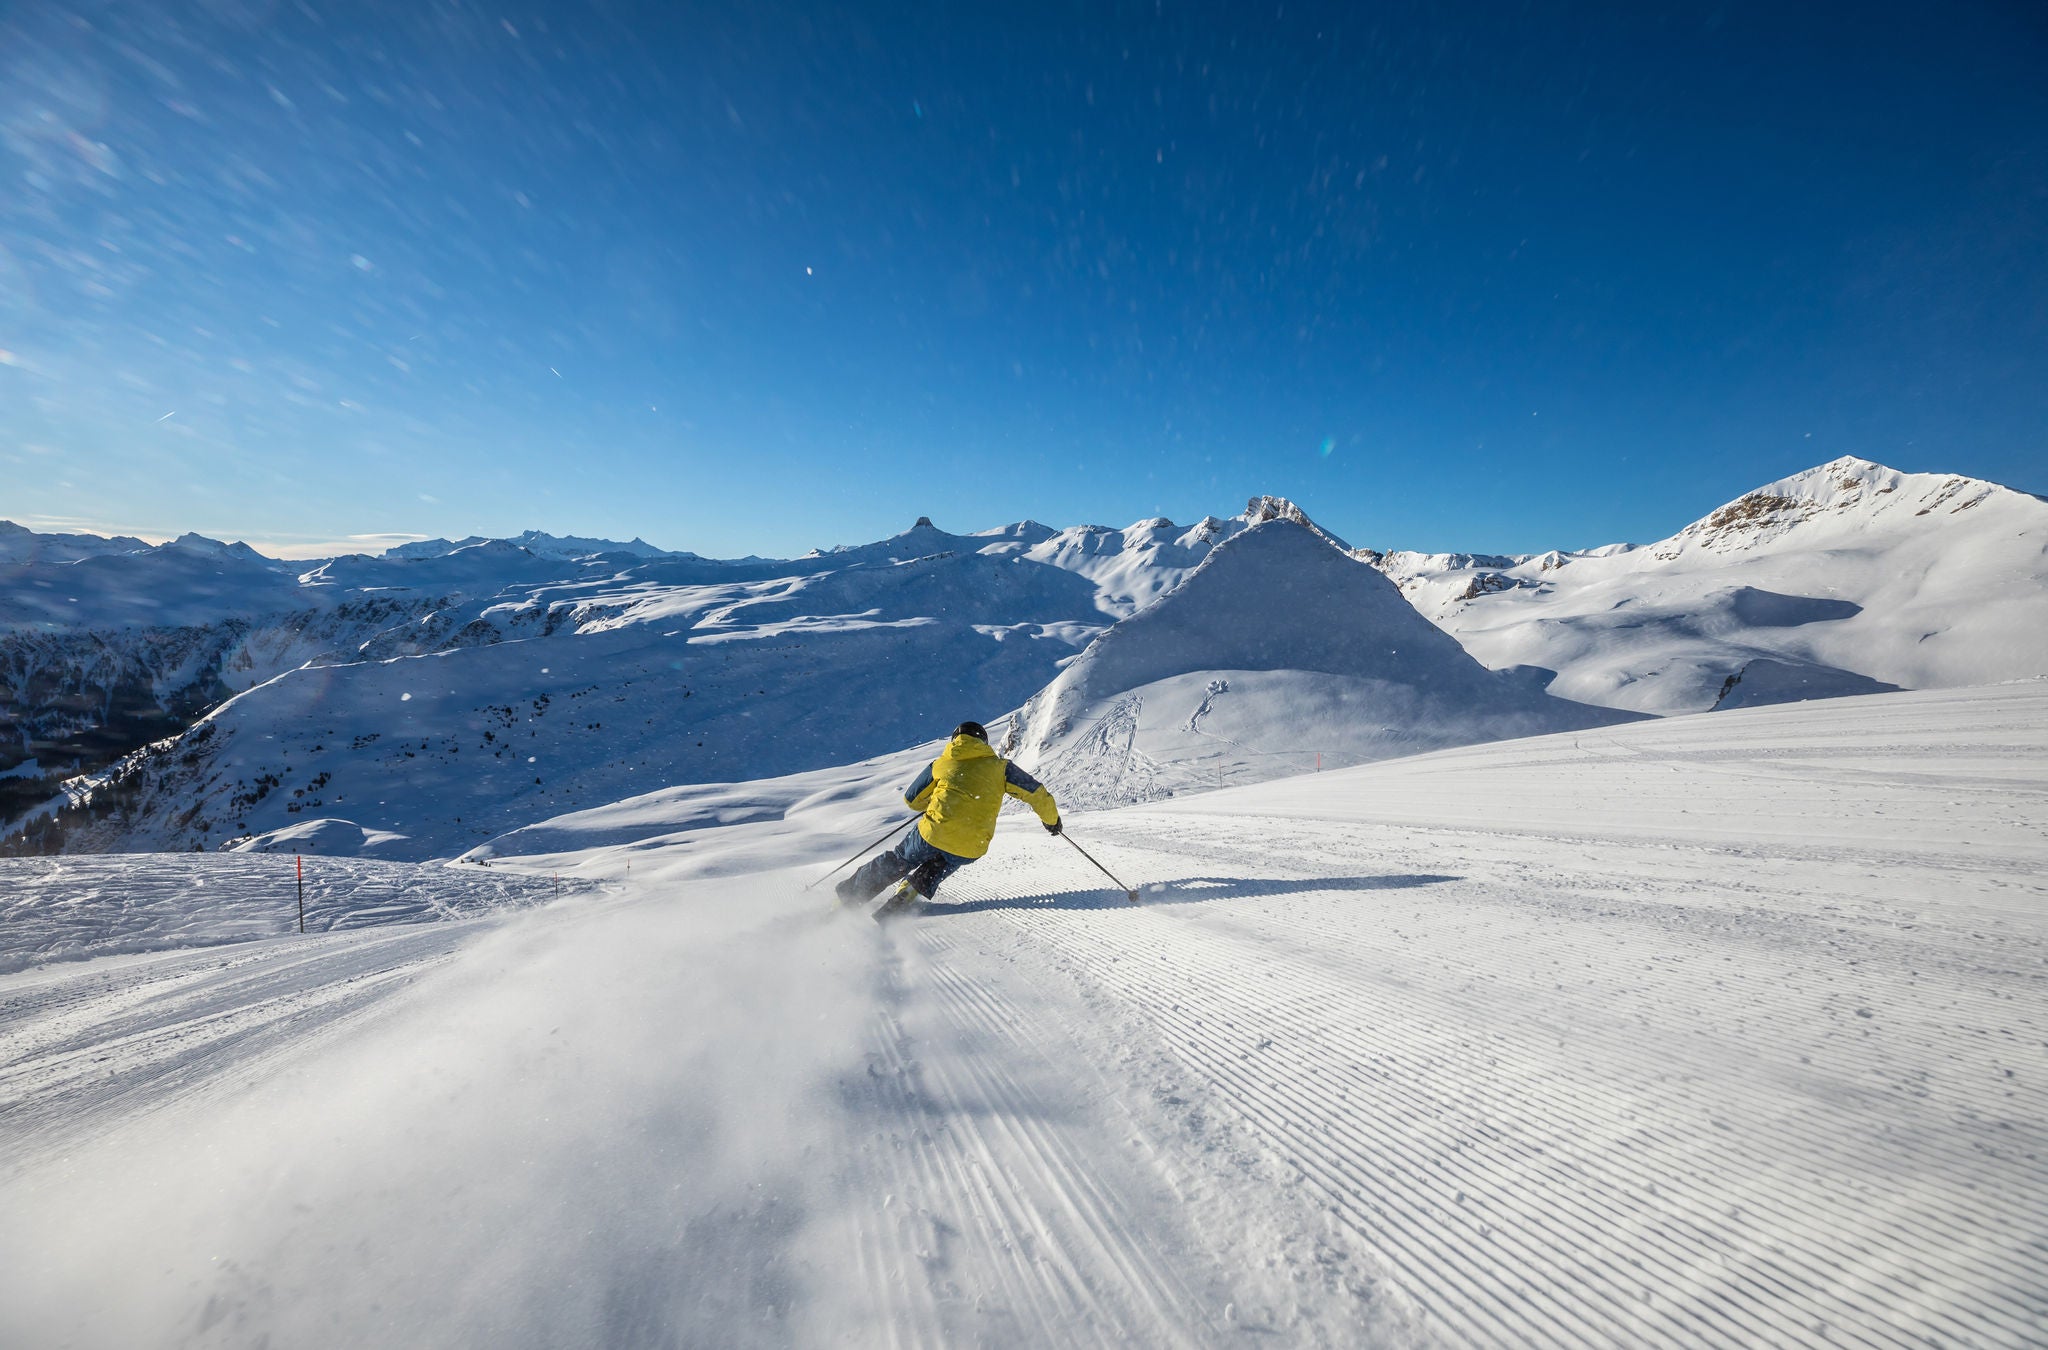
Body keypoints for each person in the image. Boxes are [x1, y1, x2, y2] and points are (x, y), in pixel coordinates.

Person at [837, 720, 1061, 911]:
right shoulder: (1001, 768)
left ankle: (851, 896)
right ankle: (910, 892)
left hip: (933, 832)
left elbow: (911, 800)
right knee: (945, 860)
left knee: (900, 859)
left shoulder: (940, 764)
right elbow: (1036, 793)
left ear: (954, 739)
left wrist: (932, 801)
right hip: (973, 844)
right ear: (984, 742)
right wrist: (1052, 822)